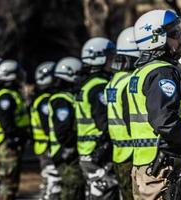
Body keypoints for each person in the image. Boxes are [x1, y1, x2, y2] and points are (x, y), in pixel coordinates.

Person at [127, 9, 181, 200]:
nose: (179, 40)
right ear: (156, 39)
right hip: (163, 165)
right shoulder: (162, 73)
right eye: (174, 34)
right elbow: (165, 121)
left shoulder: (140, 72)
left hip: (143, 163)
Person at [77, 37, 119, 200]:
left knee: (95, 192)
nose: (112, 60)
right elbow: (104, 121)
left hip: (87, 149)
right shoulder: (98, 86)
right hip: (98, 150)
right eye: (109, 56)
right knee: (105, 192)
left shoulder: (86, 85)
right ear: (100, 58)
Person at [105, 26, 140, 200]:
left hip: (119, 152)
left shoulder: (114, 81)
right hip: (132, 154)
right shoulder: (130, 82)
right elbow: (130, 120)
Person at [48, 57, 85, 200]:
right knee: (72, 190)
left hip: (65, 152)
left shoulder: (67, 97)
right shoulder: (62, 100)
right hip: (65, 153)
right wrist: (71, 147)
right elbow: (62, 131)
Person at [0, 59, 30, 200]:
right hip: (7, 144)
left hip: (10, 143)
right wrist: (17, 136)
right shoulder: (6, 96)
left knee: (11, 183)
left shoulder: (12, 94)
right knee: (8, 184)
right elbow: (7, 123)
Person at [30, 61, 62, 200]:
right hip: (47, 147)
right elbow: (48, 127)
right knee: (53, 182)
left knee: (49, 182)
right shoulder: (45, 101)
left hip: (44, 146)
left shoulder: (42, 98)